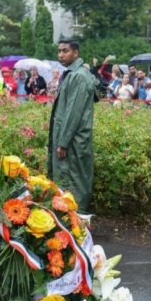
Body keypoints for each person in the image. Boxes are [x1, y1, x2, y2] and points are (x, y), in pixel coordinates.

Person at [48, 39, 97, 211]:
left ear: (76, 53)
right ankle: (67, 226)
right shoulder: (73, 74)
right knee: (66, 182)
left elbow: (73, 113)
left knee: (73, 183)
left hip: (73, 142)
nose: (61, 54)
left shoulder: (78, 76)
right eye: (59, 51)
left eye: (65, 51)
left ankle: (76, 226)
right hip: (71, 140)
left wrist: (63, 142)